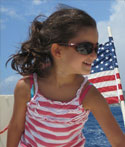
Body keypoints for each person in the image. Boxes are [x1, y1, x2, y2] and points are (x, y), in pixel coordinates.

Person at [6, 8, 125, 147]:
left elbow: (118, 142)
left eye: (96, 48)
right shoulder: (27, 87)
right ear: (57, 51)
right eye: (85, 48)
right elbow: (15, 127)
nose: (94, 56)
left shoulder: (89, 95)